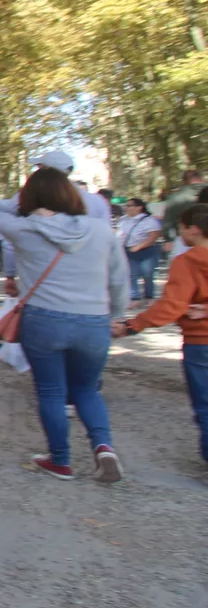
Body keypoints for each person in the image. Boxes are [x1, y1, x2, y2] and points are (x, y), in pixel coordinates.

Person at [0, 168, 128, 482]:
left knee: (50, 392)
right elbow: (118, 279)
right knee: (87, 389)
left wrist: (26, 204)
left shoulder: (24, 229)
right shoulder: (101, 230)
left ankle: (60, 461)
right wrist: (115, 315)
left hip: (43, 320)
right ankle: (103, 447)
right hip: (94, 321)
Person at [114, 203, 208, 483]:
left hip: (201, 342)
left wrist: (132, 326)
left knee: (206, 404)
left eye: (181, 228)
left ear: (194, 229)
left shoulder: (188, 262)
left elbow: (171, 306)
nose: (179, 234)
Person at [2, 151, 111, 296]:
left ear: (45, 170)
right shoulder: (97, 201)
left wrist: (10, 274)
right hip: (87, 274)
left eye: (39, 168)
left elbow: (11, 240)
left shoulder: (28, 198)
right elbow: (106, 241)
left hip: (43, 277)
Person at [117, 197, 162, 303]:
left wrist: (139, 246)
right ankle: (134, 297)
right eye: (126, 206)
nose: (127, 208)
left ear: (139, 207)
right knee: (131, 274)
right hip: (128, 250)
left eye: (130, 206)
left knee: (147, 274)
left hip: (146, 251)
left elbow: (153, 237)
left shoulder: (149, 220)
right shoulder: (123, 220)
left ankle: (149, 295)